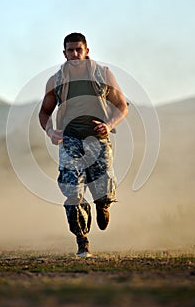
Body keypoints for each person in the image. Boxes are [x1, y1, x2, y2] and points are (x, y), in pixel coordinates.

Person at [39, 33, 128, 257]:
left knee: (104, 189)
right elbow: (44, 112)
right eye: (70, 50)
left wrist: (109, 124)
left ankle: (103, 204)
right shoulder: (56, 80)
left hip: (98, 139)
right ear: (64, 53)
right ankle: (82, 241)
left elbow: (121, 106)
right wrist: (50, 131)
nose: (75, 54)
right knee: (72, 192)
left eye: (79, 49)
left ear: (87, 51)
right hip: (70, 140)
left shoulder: (103, 74)